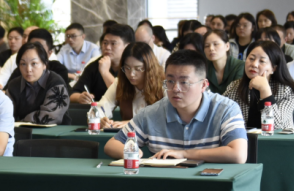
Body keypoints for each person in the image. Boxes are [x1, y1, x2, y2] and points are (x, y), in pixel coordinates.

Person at [103, 50, 247, 163]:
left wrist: (184, 154)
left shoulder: (225, 109)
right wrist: (134, 152)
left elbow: (238, 154)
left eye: (184, 82)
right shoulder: (153, 113)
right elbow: (112, 144)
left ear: (203, 85)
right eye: (170, 81)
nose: (175, 89)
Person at [223, 41, 294, 131]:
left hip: (278, 139)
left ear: (274, 68)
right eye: (251, 58)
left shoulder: (286, 90)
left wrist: (265, 91)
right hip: (245, 139)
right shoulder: (235, 86)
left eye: (262, 61)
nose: (254, 64)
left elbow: (277, 126)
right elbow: (220, 114)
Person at [98, 42, 164, 127]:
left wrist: (133, 123)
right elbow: (99, 109)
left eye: (138, 69)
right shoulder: (119, 84)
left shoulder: (164, 85)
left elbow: (168, 117)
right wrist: (101, 120)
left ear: (149, 68)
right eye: (127, 68)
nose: (131, 74)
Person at [5, 42, 71, 125]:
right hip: (24, 131)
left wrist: (21, 122)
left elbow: (50, 116)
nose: (28, 69)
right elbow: (5, 113)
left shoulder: (56, 83)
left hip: (57, 131)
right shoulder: (14, 85)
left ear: (44, 64)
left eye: (34, 63)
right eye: (23, 64)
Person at [70, 24, 133, 104]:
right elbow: (72, 94)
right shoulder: (94, 66)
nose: (107, 47)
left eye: (113, 43)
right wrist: (80, 97)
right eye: (105, 43)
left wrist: (105, 72)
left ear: (127, 46)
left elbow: (123, 97)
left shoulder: (134, 67)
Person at [203, 29, 244, 94]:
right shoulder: (203, 67)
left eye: (216, 44)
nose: (211, 48)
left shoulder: (240, 66)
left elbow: (236, 94)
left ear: (227, 46)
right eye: (207, 46)